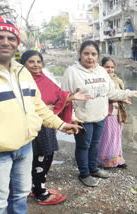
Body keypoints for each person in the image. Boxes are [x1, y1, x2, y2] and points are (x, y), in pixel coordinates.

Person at [0, 15, 81, 213]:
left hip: (25, 147)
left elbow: (38, 106)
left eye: (11, 38)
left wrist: (61, 125)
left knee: (20, 196)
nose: (6, 42)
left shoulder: (22, 71)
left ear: (17, 43)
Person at [61, 40, 137, 187]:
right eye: (86, 53)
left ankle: (93, 168)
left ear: (98, 56)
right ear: (80, 54)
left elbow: (111, 92)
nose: (90, 57)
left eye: (93, 54)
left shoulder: (101, 71)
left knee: (95, 144)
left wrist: (131, 93)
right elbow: (65, 97)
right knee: (83, 146)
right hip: (82, 118)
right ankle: (84, 173)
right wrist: (72, 118)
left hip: (100, 116)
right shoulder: (72, 72)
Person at [20, 50, 92, 205]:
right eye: (31, 62)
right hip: (34, 128)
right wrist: (45, 107)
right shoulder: (21, 82)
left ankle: (36, 187)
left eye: (39, 62)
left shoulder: (44, 79)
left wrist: (69, 97)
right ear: (23, 64)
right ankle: (41, 194)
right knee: (40, 158)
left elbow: (59, 97)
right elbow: (22, 106)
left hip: (48, 125)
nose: (36, 65)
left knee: (47, 156)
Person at [98, 57, 133, 169]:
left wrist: (124, 99)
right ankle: (107, 161)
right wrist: (122, 99)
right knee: (109, 137)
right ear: (101, 67)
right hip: (107, 112)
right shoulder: (99, 80)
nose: (110, 69)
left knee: (117, 136)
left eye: (112, 67)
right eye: (107, 67)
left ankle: (118, 159)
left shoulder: (117, 80)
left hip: (118, 112)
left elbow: (120, 94)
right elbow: (102, 96)